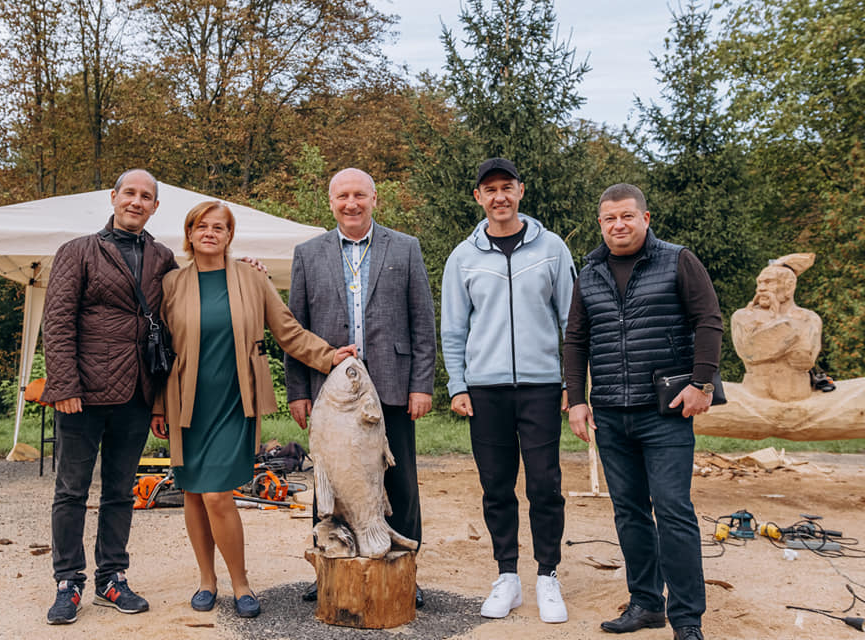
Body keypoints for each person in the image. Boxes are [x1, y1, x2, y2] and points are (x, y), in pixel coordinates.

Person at [149, 201, 356, 617]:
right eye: (201, 226)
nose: (210, 233)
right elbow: (159, 349)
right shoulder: (172, 284)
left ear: (230, 235)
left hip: (233, 401)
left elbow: (287, 330)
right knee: (193, 493)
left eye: (219, 227)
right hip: (185, 403)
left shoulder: (251, 278)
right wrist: (157, 406)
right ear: (189, 234)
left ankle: (241, 583)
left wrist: (329, 356)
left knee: (216, 494)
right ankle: (206, 581)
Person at [564, 183, 723, 640]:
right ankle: (647, 604)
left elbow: (708, 320)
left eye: (627, 216)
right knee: (630, 512)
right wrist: (577, 399)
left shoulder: (678, 260)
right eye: (610, 218)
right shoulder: (589, 273)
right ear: (600, 223)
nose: (619, 225)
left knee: (673, 510)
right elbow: (576, 339)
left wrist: (701, 383)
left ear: (645, 218)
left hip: (665, 411)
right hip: (611, 412)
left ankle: (687, 619)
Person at [284, 167, 436, 608]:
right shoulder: (308, 253)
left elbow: (422, 323)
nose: (351, 203)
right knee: (331, 480)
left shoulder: (404, 247)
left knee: (400, 480)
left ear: (374, 199)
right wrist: (298, 391)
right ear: (331, 202)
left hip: (392, 384)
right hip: (330, 393)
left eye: (359, 195)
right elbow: (295, 328)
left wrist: (421, 385)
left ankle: (404, 570)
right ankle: (328, 566)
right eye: (342, 196)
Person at [441, 158, 575, 623]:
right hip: (485, 390)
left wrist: (572, 382)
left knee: (545, 485)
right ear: (478, 197)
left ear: (520, 191)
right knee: (496, 486)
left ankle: (547, 576)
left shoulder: (552, 248)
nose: (499, 197)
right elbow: (453, 329)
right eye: (490, 189)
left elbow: (571, 321)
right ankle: (507, 576)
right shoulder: (463, 257)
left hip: (541, 387)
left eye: (507, 187)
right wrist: (458, 384)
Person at [41, 169, 178, 625]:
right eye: (130, 193)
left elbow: (188, 299)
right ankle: (68, 582)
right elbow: (57, 321)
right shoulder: (78, 251)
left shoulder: (163, 257)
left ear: (155, 207)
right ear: (114, 197)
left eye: (146, 196)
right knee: (71, 490)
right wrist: (64, 385)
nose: (137, 202)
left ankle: (112, 578)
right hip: (82, 394)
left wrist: (245, 268)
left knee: (120, 491)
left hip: (137, 392)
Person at [731, 254, 822, 401]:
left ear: (789, 286)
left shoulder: (810, 318)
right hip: (756, 396)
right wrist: (784, 327)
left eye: (768, 282)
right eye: (759, 283)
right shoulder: (743, 316)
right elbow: (751, 352)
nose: (761, 289)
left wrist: (775, 330)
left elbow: (804, 360)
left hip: (799, 395)